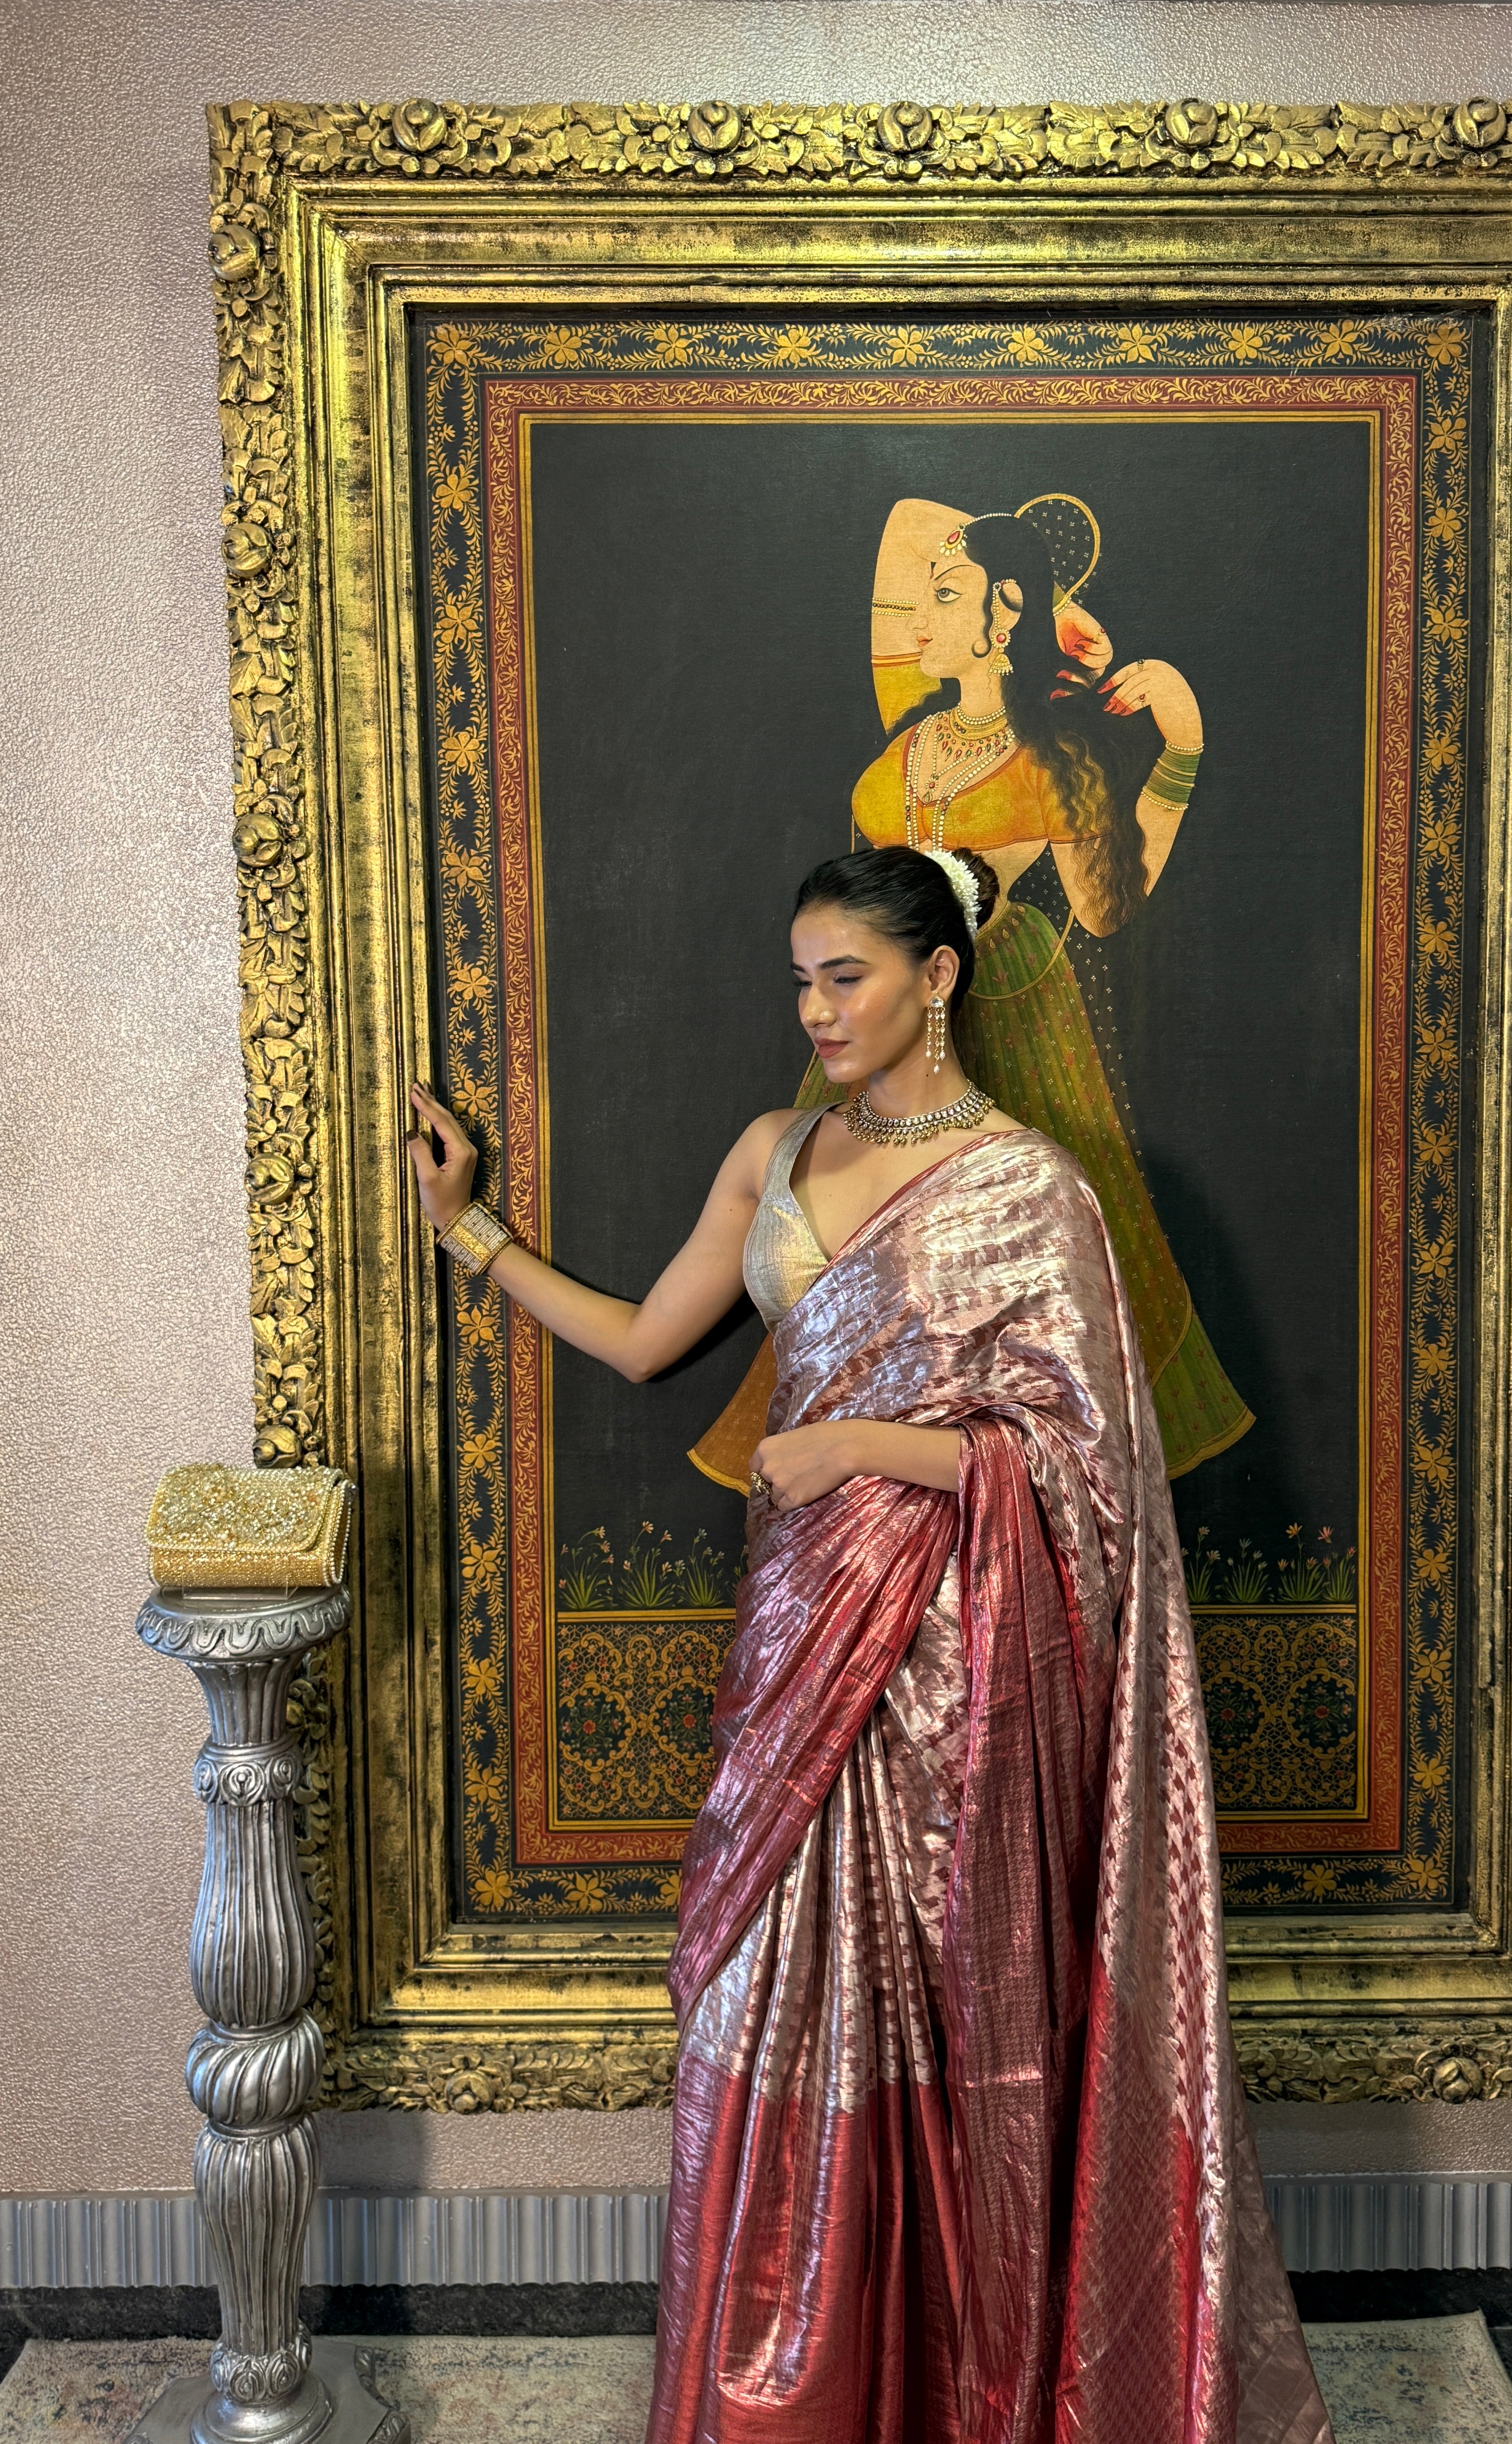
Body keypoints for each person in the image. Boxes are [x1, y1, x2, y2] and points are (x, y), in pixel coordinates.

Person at [410, 844, 1330, 2444]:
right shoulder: (773, 1152)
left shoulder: (1028, 1190)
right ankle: (800, 2394)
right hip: (798, 1644)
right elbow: (644, 1340)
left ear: (938, 975)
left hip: (952, 1681)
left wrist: (853, 1446)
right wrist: (466, 1228)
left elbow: (1083, 1466)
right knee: (773, 1991)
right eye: (802, 980)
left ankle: (949, 2385)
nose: (817, 1010)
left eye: (847, 976)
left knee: (948, 2016)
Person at [692, 494, 1251, 1501]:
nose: (919, 623)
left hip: (1020, 1012)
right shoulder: (895, 762)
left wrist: (1182, 751)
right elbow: (865, 922)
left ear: (1006, 613)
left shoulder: (1056, 760)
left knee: (1026, 1302)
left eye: (944, 596)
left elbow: (1107, 907)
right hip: (892, 1035)